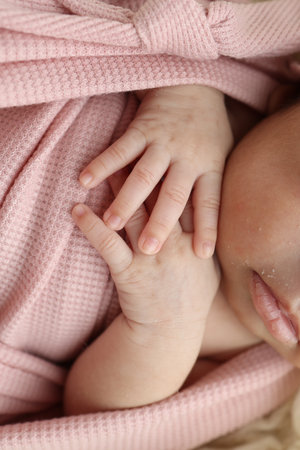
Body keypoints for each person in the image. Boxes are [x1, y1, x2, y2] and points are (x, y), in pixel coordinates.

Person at [64, 91, 300, 415]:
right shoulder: (224, 90)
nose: (296, 302)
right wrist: (184, 92)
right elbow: (153, 41)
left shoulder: (232, 366)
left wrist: (168, 329)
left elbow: (90, 420)